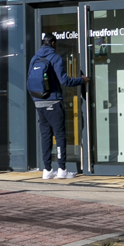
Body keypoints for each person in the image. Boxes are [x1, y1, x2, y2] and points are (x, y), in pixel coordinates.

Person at [27, 32, 88, 179]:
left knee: (46, 136)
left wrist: (37, 100)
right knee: (60, 135)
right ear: (53, 43)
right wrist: (82, 80)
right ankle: (62, 169)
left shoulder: (34, 58)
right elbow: (65, 81)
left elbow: (30, 80)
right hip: (54, 101)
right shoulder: (55, 57)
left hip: (39, 102)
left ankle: (47, 170)